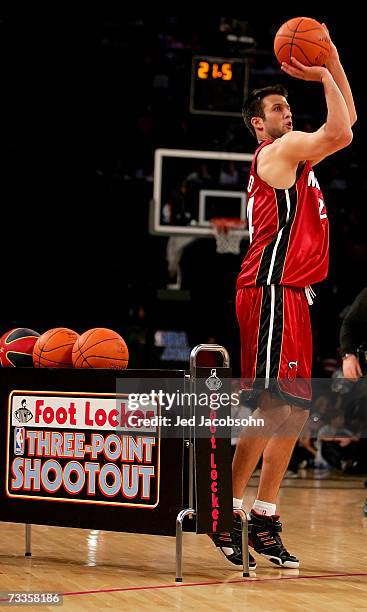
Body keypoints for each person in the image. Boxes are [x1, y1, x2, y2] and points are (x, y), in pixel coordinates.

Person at [211, 25, 357, 570]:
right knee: (271, 405)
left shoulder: (301, 161)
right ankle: (222, 509)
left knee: (293, 408)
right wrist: (323, 70)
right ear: (259, 124)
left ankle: (264, 516)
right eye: (278, 107)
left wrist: (334, 58)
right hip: (269, 289)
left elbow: (348, 123)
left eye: (289, 106)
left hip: (294, 294)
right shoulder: (277, 152)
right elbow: (341, 131)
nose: (288, 113)